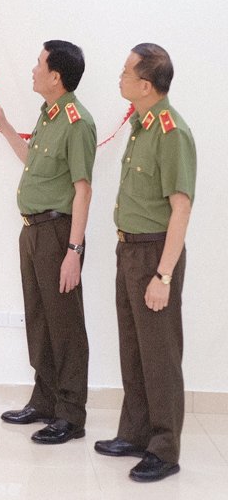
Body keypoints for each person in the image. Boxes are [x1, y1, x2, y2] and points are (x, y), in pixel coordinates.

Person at [0, 40, 95, 444]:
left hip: (57, 233)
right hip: (32, 231)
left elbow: (83, 191)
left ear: (55, 77)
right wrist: (4, 125)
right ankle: (45, 400)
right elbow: (32, 159)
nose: (33, 69)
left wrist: (74, 251)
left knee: (65, 326)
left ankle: (71, 414)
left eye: (39, 63)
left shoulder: (77, 123)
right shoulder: (49, 116)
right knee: (39, 319)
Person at [94, 43, 195, 482]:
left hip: (155, 254)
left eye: (126, 73)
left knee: (160, 356)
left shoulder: (171, 132)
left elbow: (181, 208)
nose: (120, 78)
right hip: (129, 250)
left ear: (146, 85)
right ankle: (135, 434)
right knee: (133, 349)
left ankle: (164, 449)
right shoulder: (140, 125)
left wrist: (163, 275)